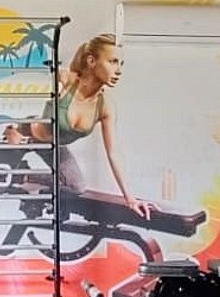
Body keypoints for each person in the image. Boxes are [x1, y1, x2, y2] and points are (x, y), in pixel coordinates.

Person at [19, 34, 153, 219]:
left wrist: (130, 199)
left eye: (121, 64)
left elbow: (113, 153)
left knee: (76, 186)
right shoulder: (68, 79)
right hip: (23, 135)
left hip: (53, 147)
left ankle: (26, 176)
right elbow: (27, 70)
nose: (119, 70)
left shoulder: (105, 106)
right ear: (91, 61)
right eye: (113, 62)